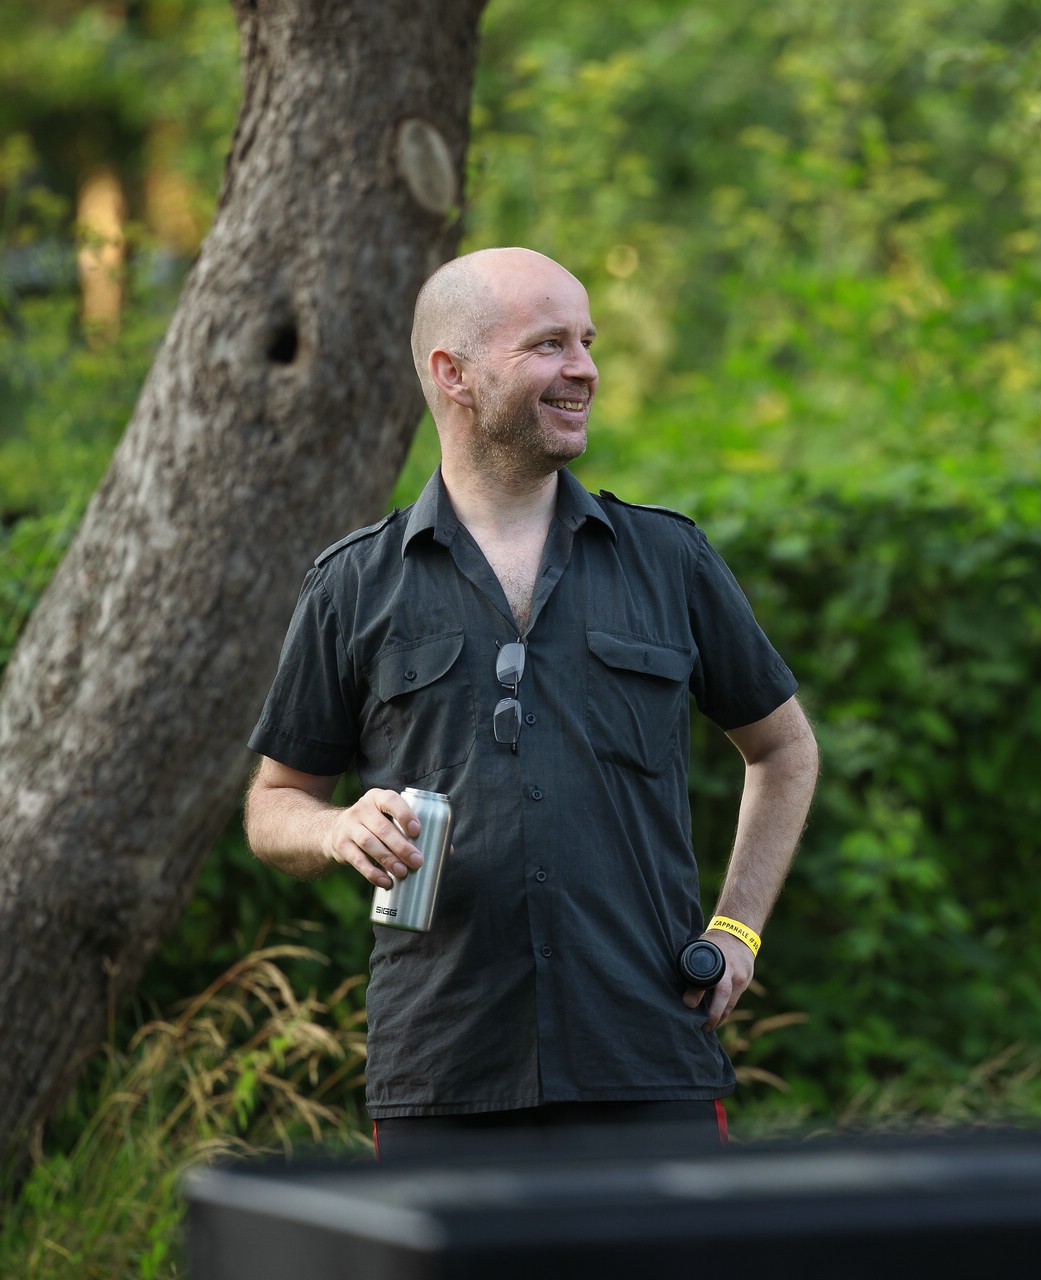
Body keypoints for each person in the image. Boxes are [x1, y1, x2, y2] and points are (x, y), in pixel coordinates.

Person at [244, 247, 818, 1158]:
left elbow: (784, 750)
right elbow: (275, 802)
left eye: (587, 342)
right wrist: (335, 827)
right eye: (549, 344)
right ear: (454, 373)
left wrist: (737, 928)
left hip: (648, 1053)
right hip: (444, 1071)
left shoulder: (668, 561)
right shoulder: (354, 585)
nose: (584, 368)